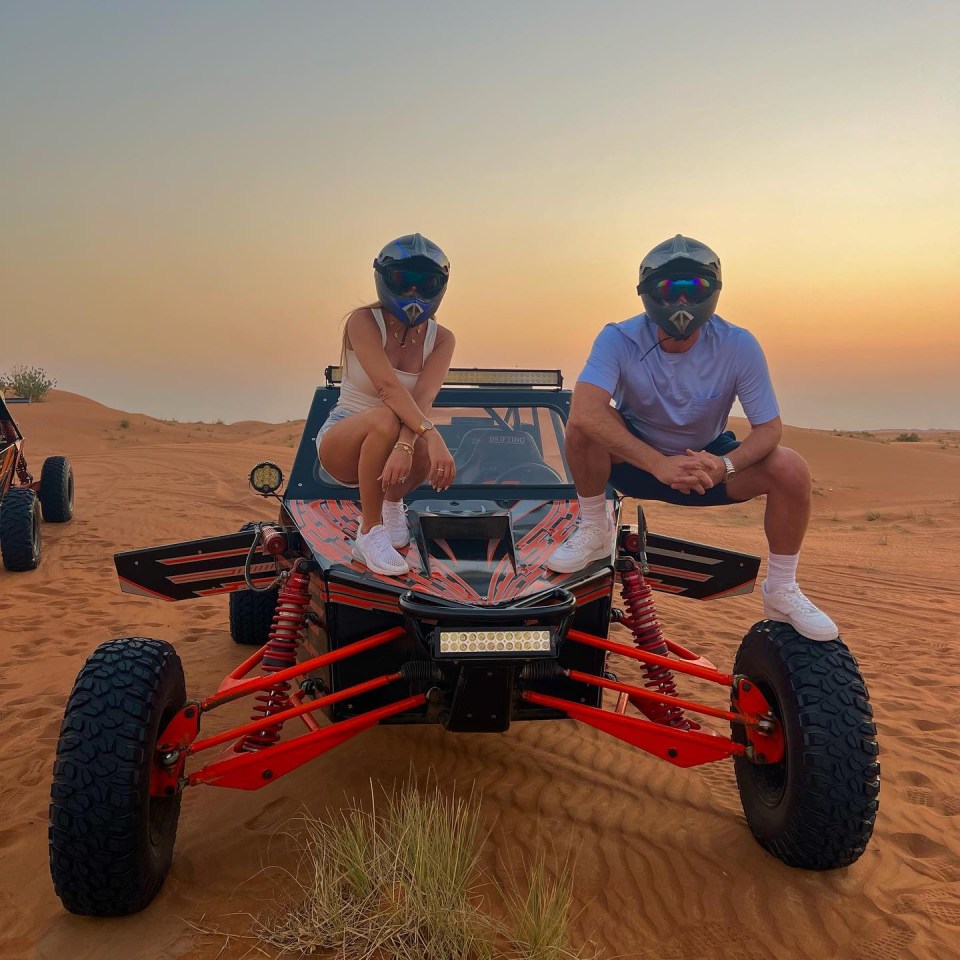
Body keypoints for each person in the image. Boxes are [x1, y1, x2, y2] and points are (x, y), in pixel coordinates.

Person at [547, 234, 838, 642]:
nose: (681, 303)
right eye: (669, 289)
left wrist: (725, 465)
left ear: (712, 291)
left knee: (790, 467)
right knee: (584, 423)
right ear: (648, 294)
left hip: (709, 464)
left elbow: (769, 428)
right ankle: (595, 528)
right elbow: (586, 410)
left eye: (694, 289)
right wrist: (658, 464)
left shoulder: (738, 344)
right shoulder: (619, 337)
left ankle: (783, 589)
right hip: (635, 460)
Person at [317, 233, 457, 576]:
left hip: (397, 437)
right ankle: (368, 529)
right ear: (384, 278)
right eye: (402, 279)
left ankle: (393, 503)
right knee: (385, 417)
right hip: (345, 437)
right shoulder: (362, 321)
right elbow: (388, 389)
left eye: (425, 282)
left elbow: (421, 400)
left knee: (412, 429)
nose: (413, 292)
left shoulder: (442, 338)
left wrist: (409, 443)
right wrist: (432, 434)